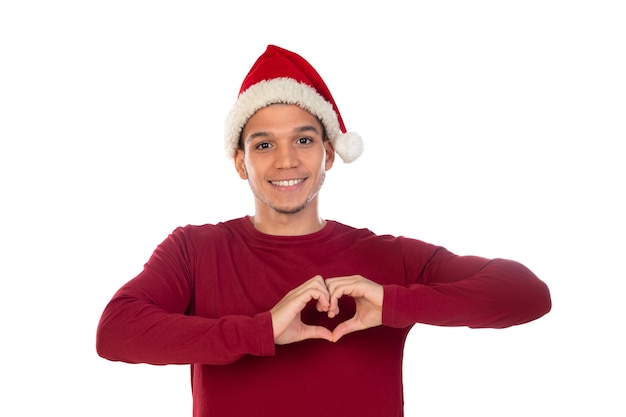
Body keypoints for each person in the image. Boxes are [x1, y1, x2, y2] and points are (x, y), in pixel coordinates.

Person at [96, 45, 551, 417]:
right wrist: (260, 331)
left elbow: (527, 293)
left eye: (304, 139)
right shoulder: (194, 250)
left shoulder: (390, 260)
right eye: (264, 144)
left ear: (329, 155)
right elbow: (116, 331)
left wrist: (396, 302)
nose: (286, 160)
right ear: (241, 162)